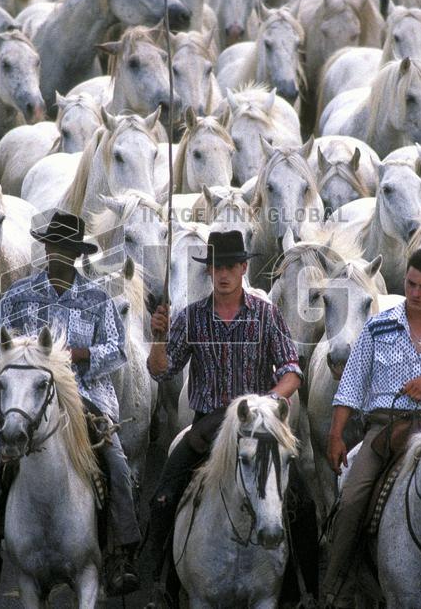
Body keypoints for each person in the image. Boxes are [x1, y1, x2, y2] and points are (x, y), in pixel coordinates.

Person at [0, 210, 142, 597]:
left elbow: (117, 349)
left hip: (85, 397)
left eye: (66, 248)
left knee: (116, 462)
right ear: (45, 249)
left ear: (76, 254)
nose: (58, 254)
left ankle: (121, 551)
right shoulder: (18, 295)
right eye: (53, 246)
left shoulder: (97, 299)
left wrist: (79, 355)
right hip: (28, 399)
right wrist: (21, 358)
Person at [144, 230, 318, 608]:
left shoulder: (266, 315)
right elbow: (161, 371)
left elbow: (291, 371)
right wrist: (158, 337)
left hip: (259, 424)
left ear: (243, 268)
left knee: (303, 503)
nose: (223, 274)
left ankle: (304, 592)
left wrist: (269, 402)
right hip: (208, 426)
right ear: (209, 271)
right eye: (216, 267)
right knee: (163, 497)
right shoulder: (191, 317)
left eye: (230, 266)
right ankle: (162, 585)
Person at [323, 248, 421, 604]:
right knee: (350, 499)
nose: (415, 293)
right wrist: (336, 434)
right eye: (411, 284)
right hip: (385, 430)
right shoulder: (377, 327)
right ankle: (337, 588)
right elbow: (351, 384)